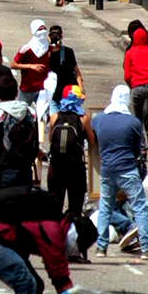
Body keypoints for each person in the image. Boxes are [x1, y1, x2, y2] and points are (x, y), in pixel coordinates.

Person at [91, 85, 148, 259]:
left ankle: (101, 247)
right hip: (128, 170)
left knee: (105, 208)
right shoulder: (133, 122)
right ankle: (147, 247)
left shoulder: (99, 119)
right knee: (139, 208)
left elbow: (94, 143)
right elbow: (140, 150)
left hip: (107, 170)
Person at [0, 75, 39, 192]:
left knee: (2, 208)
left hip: (3, 173)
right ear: (16, 93)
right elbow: (35, 145)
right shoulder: (30, 113)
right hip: (25, 172)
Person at [48, 85, 94, 215]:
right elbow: (91, 140)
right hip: (75, 167)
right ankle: (74, 232)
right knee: (75, 207)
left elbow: (51, 139)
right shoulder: (83, 118)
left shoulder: (55, 116)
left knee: (55, 207)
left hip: (56, 166)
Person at [10, 19, 50, 106]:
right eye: (39, 29)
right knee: (21, 113)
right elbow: (13, 65)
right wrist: (31, 66)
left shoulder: (49, 48)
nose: (42, 31)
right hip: (27, 89)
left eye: (44, 29)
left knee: (43, 116)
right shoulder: (26, 48)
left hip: (44, 89)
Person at [47, 25, 84, 116]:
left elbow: (77, 72)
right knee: (54, 120)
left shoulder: (68, 52)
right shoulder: (45, 52)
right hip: (53, 94)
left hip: (69, 95)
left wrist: (81, 90)